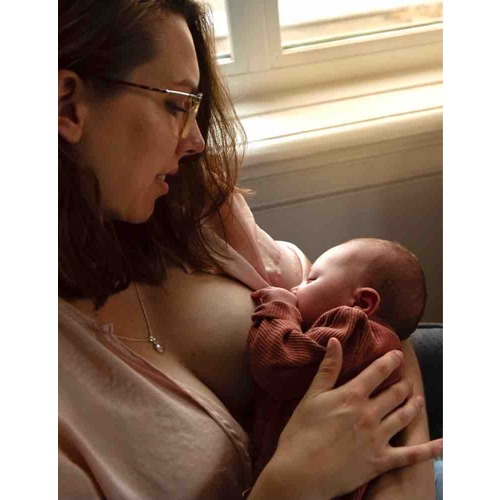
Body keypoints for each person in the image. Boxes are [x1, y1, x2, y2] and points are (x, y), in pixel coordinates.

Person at [58, 1, 442, 498]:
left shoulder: (190, 209)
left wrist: (402, 479)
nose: (197, 141)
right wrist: (288, 487)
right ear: (67, 105)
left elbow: (375, 309)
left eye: (194, 106)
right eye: (175, 104)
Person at [248, 238, 427, 498]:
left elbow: (278, 362)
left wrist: (279, 307)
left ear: (362, 303)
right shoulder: (382, 345)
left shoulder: (351, 327)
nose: (295, 288)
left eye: (311, 279)